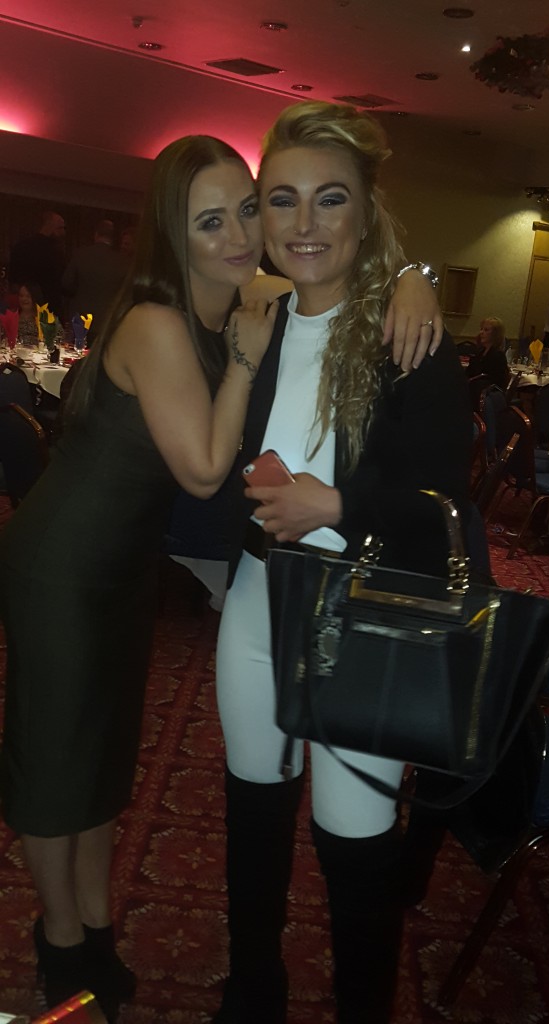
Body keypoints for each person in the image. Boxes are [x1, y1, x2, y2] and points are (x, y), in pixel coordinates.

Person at [0, 131, 441, 1022]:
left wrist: (413, 273)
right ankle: (75, 942)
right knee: (65, 762)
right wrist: (246, 360)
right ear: (176, 232)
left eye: (248, 208)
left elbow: (335, 263)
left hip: (156, 569)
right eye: (222, 218)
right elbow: (207, 470)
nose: (248, 233)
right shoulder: (198, 323)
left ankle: (98, 926)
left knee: (105, 758)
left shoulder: (272, 307)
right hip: (83, 565)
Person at [214, 101, 472, 1024]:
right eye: (282, 200)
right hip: (257, 603)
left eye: (331, 199)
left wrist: (338, 505)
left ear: (366, 210)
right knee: (253, 822)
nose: (306, 224)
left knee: (352, 847)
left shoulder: (407, 337)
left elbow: (446, 505)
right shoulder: (255, 322)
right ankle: (253, 996)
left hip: (367, 620)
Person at [61, 219, 127, 341]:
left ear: (96, 234)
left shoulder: (81, 254)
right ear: (113, 238)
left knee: (76, 350)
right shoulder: (122, 261)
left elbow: (67, 283)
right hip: (106, 321)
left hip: (80, 318)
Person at [8, 211, 67, 319]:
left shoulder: (21, 247)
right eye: (60, 228)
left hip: (26, 305)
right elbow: (61, 280)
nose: (63, 232)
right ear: (49, 226)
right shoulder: (55, 251)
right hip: (50, 306)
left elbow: (13, 279)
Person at [467, 316, 510, 390]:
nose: (481, 332)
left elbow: (498, 381)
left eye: (486, 330)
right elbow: (470, 372)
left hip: (487, 393)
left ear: (495, 334)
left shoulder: (498, 355)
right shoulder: (480, 352)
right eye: (481, 329)